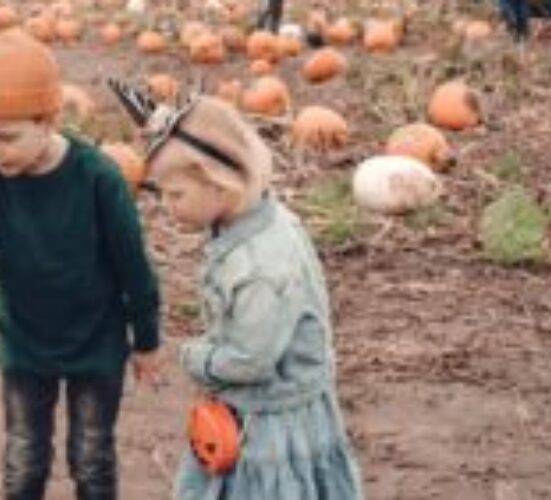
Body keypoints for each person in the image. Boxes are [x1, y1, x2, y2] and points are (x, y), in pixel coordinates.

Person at [0, 30, 163, 500]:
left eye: (6, 137)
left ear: (48, 120)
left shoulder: (98, 179)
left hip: (97, 344)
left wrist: (146, 340)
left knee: (91, 460)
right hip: (26, 348)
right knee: (24, 463)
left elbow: (135, 269)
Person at [109, 86, 363, 500]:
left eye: (176, 194)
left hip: (271, 422)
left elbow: (251, 360)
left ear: (220, 183)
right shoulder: (255, 220)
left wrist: (197, 358)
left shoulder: (262, 269)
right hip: (258, 408)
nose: (167, 207)